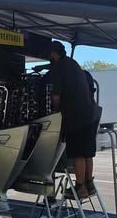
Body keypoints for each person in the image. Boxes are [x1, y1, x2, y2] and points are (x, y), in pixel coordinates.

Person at [35, 41, 101, 199]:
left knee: (78, 154)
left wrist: (54, 112)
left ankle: (80, 188)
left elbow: (55, 96)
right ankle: (89, 184)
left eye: (49, 54)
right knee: (87, 154)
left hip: (76, 117)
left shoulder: (58, 68)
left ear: (53, 54)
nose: (48, 57)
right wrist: (44, 67)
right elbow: (59, 70)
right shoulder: (71, 63)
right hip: (91, 115)